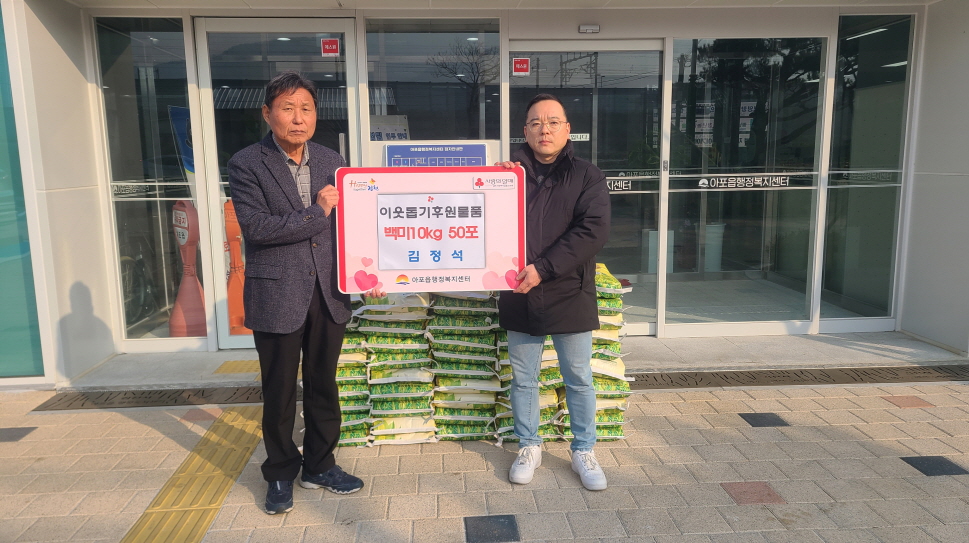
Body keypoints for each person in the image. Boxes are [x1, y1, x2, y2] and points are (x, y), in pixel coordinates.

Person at [229, 71, 378, 515]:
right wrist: (317, 212)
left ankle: (319, 465)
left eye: (306, 109)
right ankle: (279, 472)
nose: (298, 118)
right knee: (278, 390)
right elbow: (257, 228)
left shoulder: (333, 160)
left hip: (328, 290)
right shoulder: (246, 163)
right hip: (277, 292)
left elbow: (356, 223)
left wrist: (373, 268)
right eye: (288, 108)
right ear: (267, 113)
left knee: (322, 385)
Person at [496, 93, 611, 491]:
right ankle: (529, 445)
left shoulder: (587, 175)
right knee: (524, 379)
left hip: (569, 289)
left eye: (552, 122)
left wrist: (543, 269)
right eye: (535, 123)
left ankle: (584, 450)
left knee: (578, 376)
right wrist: (490, 183)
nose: (544, 129)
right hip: (519, 289)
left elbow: (593, 230)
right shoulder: (507, 176)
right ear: (525, 131)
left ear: (567, 129)